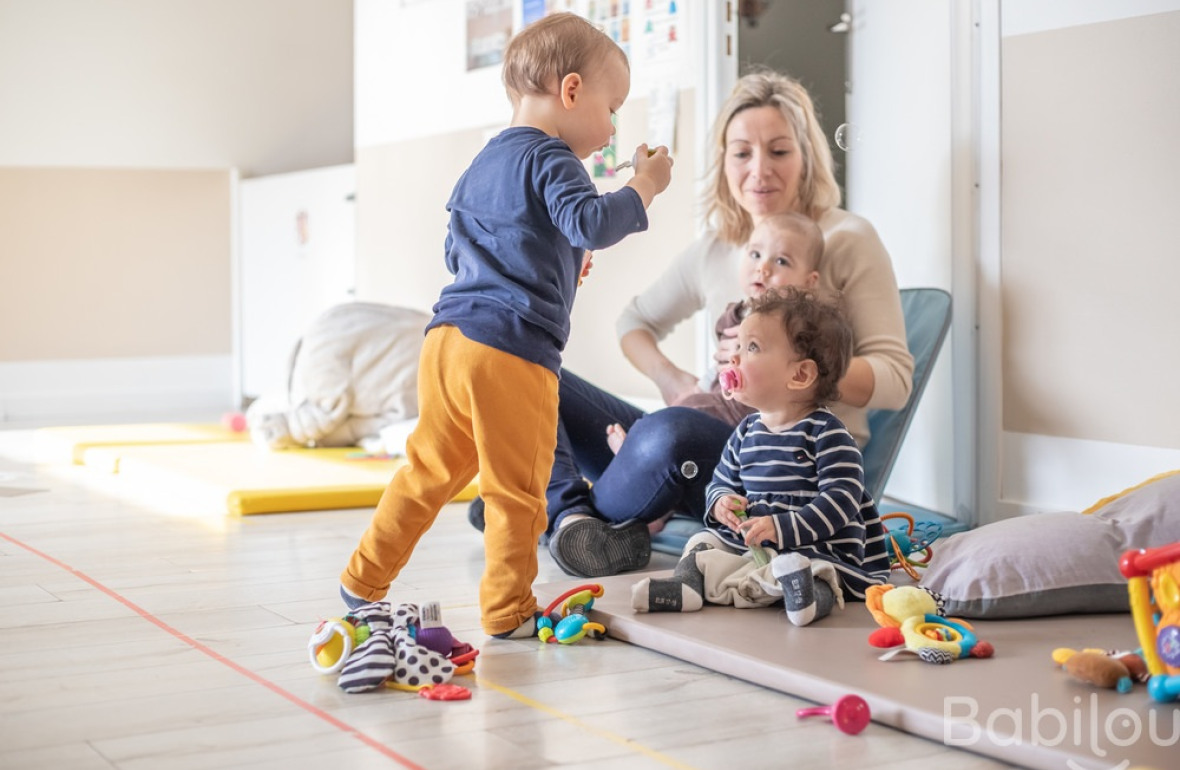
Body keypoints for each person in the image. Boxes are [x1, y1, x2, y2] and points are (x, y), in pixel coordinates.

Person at [338, 12, 673, 638]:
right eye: (613, 107)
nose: (610, 129)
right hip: (510, 351)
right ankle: (507, 610)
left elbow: (464, 250)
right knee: (517, 489)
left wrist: (560, 263)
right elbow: (595, 223)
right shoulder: (554, 159)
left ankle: (362, 579)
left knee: (427, 472)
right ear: (571, 91)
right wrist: (645, 185)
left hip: (446, 342)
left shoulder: (483, 163)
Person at [533, 69, 914, 580]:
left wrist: (787, 369)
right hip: (709, 418)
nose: (759, 170)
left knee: (669, 435)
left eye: (779, 151)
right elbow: (635, 320)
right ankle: (569, 512)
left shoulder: (845, 238)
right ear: (724, 162)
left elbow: (895, 378)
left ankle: (541, 511)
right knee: (537, 373)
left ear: (807, 156)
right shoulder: (718, 247)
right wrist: (674, 381)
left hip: (784, 457)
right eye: (742, 153)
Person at [630, 287, 891, 625]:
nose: (734, 357)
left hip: (817, 548)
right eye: (736, 346)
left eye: (751, 347)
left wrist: (783, 528)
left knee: (818, 572)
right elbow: (720, 483)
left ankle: (807, 598)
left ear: (799, 375)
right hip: (754, 546)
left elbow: (840, 503)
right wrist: (722, 503)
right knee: (702, 541)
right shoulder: (746, 432)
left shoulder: (827, 434)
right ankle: (686, 587)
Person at [606, 209, 822, 448]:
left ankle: (641, 451)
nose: (763, 268)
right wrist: (695, 389)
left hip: (757, 424)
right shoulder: (736, 313)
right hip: (721, 403)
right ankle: (640, 451)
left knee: (680, 425)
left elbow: (817, 377)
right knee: (681, 414)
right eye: (755, 254)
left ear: (809, 282)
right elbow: (718, 368)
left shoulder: (804, 326)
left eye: (781, 261)